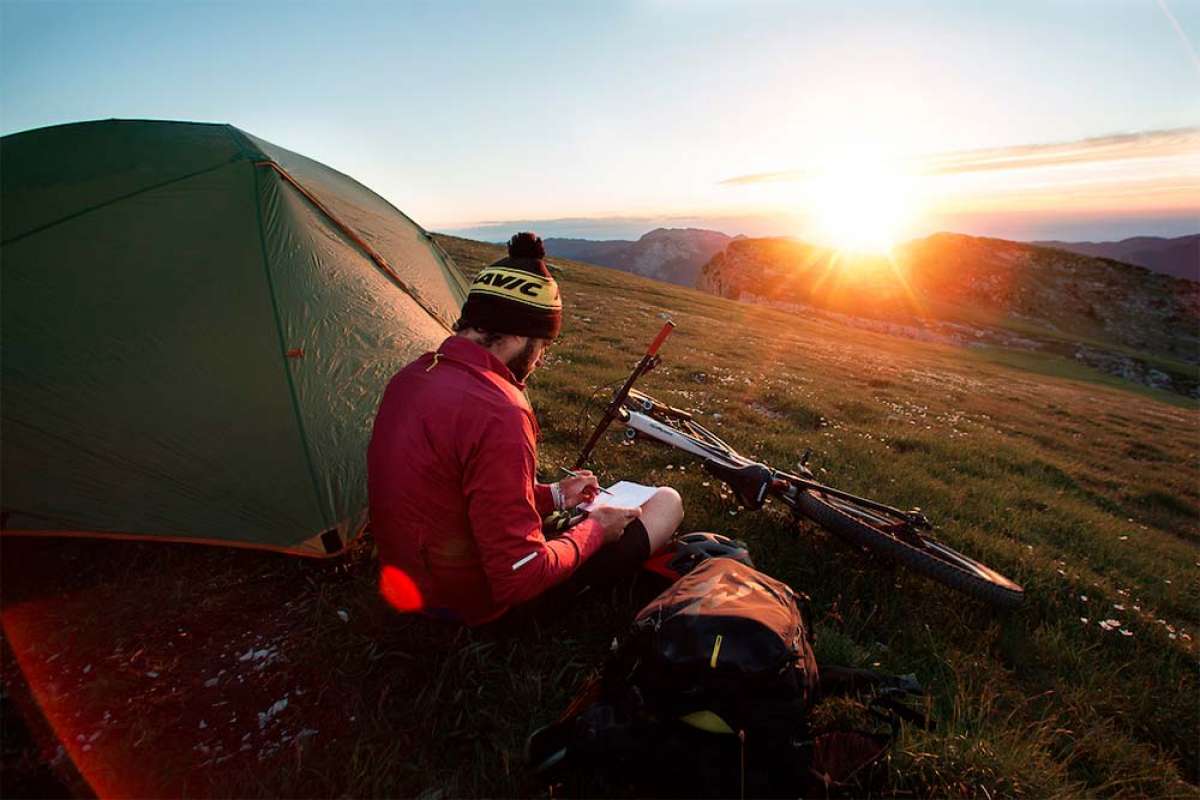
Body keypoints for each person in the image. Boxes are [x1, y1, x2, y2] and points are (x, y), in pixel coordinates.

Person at [368, 232, 683, 626]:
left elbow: (459, 495)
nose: (538, 361)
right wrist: (595, 531)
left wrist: (554, 495)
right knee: (667, 501)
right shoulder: (499, 409)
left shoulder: (411, 376)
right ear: (519, 335)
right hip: (472, 605)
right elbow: (519, 578)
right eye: (542, 346)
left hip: (412, 581)